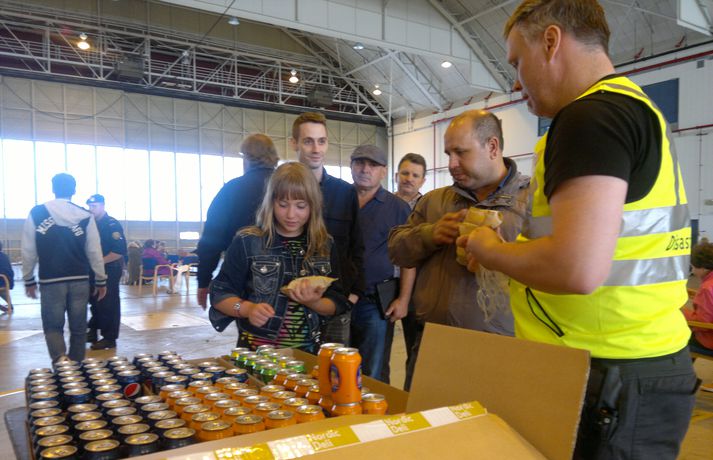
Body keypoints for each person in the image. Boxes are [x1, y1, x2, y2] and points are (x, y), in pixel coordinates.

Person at [458, 1, 699, 458]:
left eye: (517, 62)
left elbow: (576, 268)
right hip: (636, 364)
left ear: (551, 41)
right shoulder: (633, 109)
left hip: (610, 375)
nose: (515, 82)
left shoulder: (590, 117)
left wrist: (488, 249)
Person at [389, 111, 529, 390]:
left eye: (461, 153)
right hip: (432, 345)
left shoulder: (531, 203)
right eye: (448, 153)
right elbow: (396, 250)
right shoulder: (434, 202)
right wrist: (430, 234)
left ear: (492, 146)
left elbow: (555, 271)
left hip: (500, 348)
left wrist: (500, 254)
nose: (451, 164)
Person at [208, 162, 349, 352]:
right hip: (257, 353)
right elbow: (219, 294)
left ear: (313, 206)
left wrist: (313, 302)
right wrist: (247, 309)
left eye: (300, 206)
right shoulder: (247, 241)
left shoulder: (324, 245)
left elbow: (337, 302)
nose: (291, 214)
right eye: (283, 205)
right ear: (271, 202)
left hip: (309, 354)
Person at [292, 112, 364, 345]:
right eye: (308, 141)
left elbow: (357, 247)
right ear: (294, 143)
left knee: (333, 366)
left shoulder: (345, 193)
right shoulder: (279, 191)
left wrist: (354, 294)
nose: (316, 149)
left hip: (334, 304)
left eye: (321, 141)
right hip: (291, 305)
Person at [21, 173, 107, 364]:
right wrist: (101, 280)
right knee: (78, 328)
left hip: (50, 281)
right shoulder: (85, 215)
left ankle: (60, 362)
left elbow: (28, 249)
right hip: (79, 280)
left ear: (53, 188)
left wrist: (28, 279)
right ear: (74, 190)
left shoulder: (37, 213)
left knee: (53, 326)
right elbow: (94, 250)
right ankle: (75, 366)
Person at [349, 144, 414, 381]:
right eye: (360, 163)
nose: (365, 169)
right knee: (337, 365)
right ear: (351, 166)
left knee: (372, 371)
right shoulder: (337, 198)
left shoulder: (398, 208)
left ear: (384, 171)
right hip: (338, 299)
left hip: (375, 302)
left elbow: (409, 257)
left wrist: (403, 299)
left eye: (373, 165)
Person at [196, 134, 279, 308]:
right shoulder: (288, 187)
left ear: (246, 158)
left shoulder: (231, 190)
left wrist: (203, 280)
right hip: (286, 275)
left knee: (250, 319)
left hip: (244, 279)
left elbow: (212, 239)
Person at [85, 194, 127, 350]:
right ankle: (93, 331)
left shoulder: (112, 224)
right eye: (90, 206)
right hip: (93, 269)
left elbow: (119, 251)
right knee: (94, 301)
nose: (91, 209)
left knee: (108, 302)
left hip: (110, 268)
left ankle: (109, 338)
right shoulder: (90, 224)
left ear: (102, 206)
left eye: (94, 206)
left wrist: (98, 262)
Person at [683, 242, 713, 355]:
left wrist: (682, 313)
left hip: (709, 340)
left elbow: (703, 322)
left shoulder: (706, 288)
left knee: (676, 338)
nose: (692, 271)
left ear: (704, 268)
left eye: (693, 267)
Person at [0, 241, 14, 312]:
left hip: (1, 281)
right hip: (7, 282)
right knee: (3, 292)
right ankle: (10, 305)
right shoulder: (5, 256)